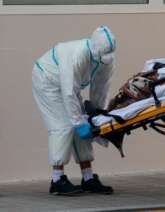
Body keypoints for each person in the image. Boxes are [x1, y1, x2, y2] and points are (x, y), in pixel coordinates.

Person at [32, 26, 115, 195]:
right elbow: (68, 91)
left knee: (82, 123)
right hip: (47, 80)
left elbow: (101, 89)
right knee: (63, 126)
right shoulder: (76, 55)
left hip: (68, 86)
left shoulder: (107, 59)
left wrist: (96, 116)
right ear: (94, 50)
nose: (104, 60)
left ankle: (88, 178)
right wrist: (77, 122)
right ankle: (57, 180)